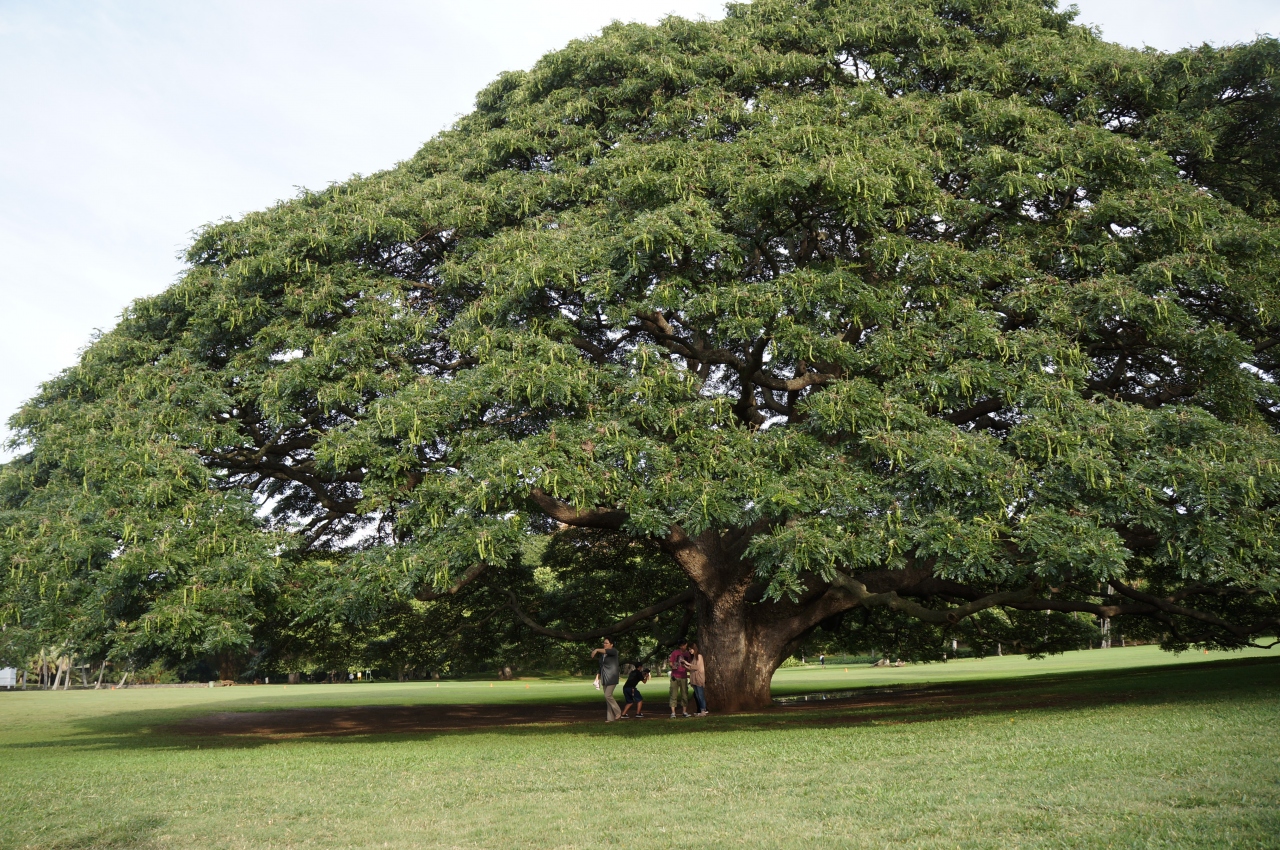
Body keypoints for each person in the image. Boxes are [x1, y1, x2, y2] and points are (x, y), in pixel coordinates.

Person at [590, 637, 622, 721]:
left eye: (606, 643)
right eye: (604, 643)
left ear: (611, 644)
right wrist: (597, 677)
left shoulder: (614, 651)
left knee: (608, 695)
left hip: (612, 677)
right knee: (607, 698)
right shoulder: (603, 655)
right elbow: (601, 667)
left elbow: (606, 651)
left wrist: (596, 650)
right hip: (605, 678)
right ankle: (610, 718)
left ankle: (618, 712)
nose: (604, 644)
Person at [668, 641, 692, 718]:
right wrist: (672, 666)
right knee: (673, 694)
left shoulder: (688, 654)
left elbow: (690, 665)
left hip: (683, 676)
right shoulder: (675, 653)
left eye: (683, 645)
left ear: (686, 645)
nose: (682, 647)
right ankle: (673, 713)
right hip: (675, 676)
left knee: (684, 694)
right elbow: (670, 662)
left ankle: (684, 712)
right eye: (681, 646)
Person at [685, 642, 708, 716]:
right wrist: (685, 666)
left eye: (691, 649)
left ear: (694, 648)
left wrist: (688, 663)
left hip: (699, 679)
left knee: (701, 695)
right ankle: (701, 710)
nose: (690, 651)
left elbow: (697, 667)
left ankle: (703, 710)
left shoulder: (699, 656)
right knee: (697, 696)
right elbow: (692, 668)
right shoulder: (693, 658)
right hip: (694, 679)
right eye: (689, 649)